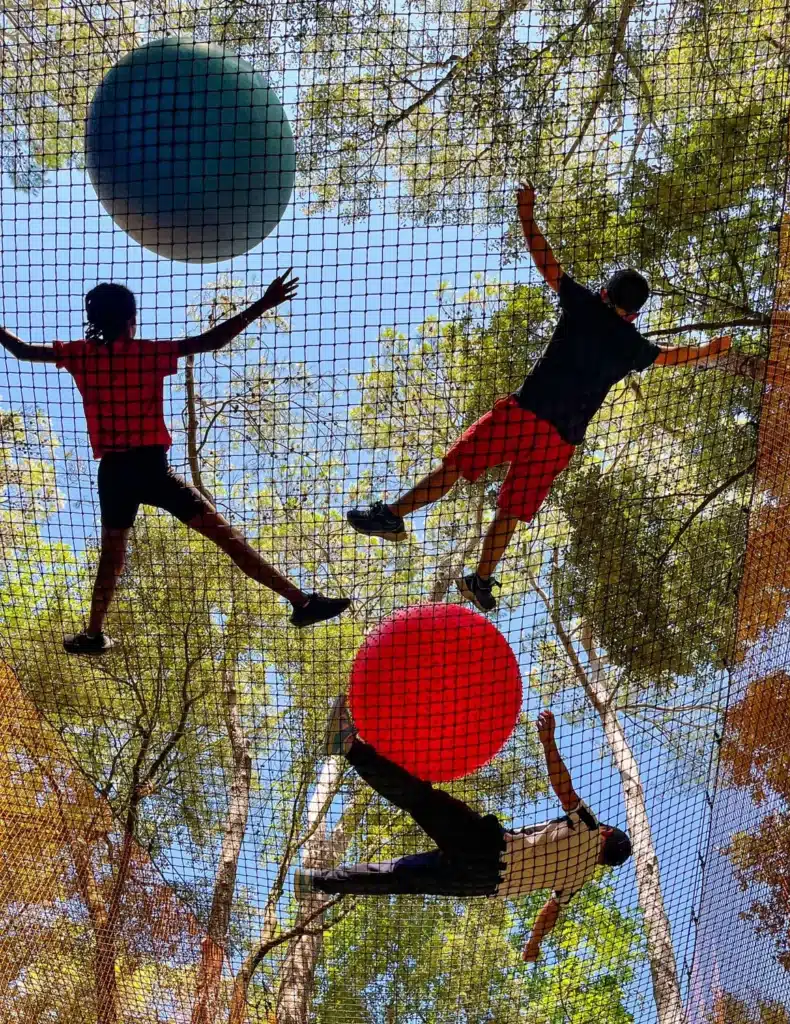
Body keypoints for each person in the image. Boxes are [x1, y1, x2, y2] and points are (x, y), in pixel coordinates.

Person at [347, 182, 733, 611]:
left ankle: (393, 516)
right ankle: (481, 579)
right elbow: (671, 358)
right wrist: (710, 352)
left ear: (605, 293)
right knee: (510, 510)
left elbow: (545, 261)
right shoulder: (632, 346)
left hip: (524, 415)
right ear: (635, 314)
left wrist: (526, 213)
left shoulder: (585, 305)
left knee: (457, 466)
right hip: (558, 444)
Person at [0, 271, 351, 654]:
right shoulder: (147, 352)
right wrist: (262, 305)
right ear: (131, 321)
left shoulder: (80, 354)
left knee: (112, 557)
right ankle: (301, 602)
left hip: (116, 474)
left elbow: (22, 351)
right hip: (154, 471)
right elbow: (211, 341)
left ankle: (94, 633)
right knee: (227, 538)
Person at [295, 700, 632, 963]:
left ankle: (349, 745)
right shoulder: (578, 881)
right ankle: (314, 881)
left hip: (489, 848)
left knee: (421, 799)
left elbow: (565, 790)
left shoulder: (589, 827)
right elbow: (550, 913)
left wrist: (547, 742)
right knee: (399, 876)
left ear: (605, 834)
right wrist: (533, 943)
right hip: (477, 884)